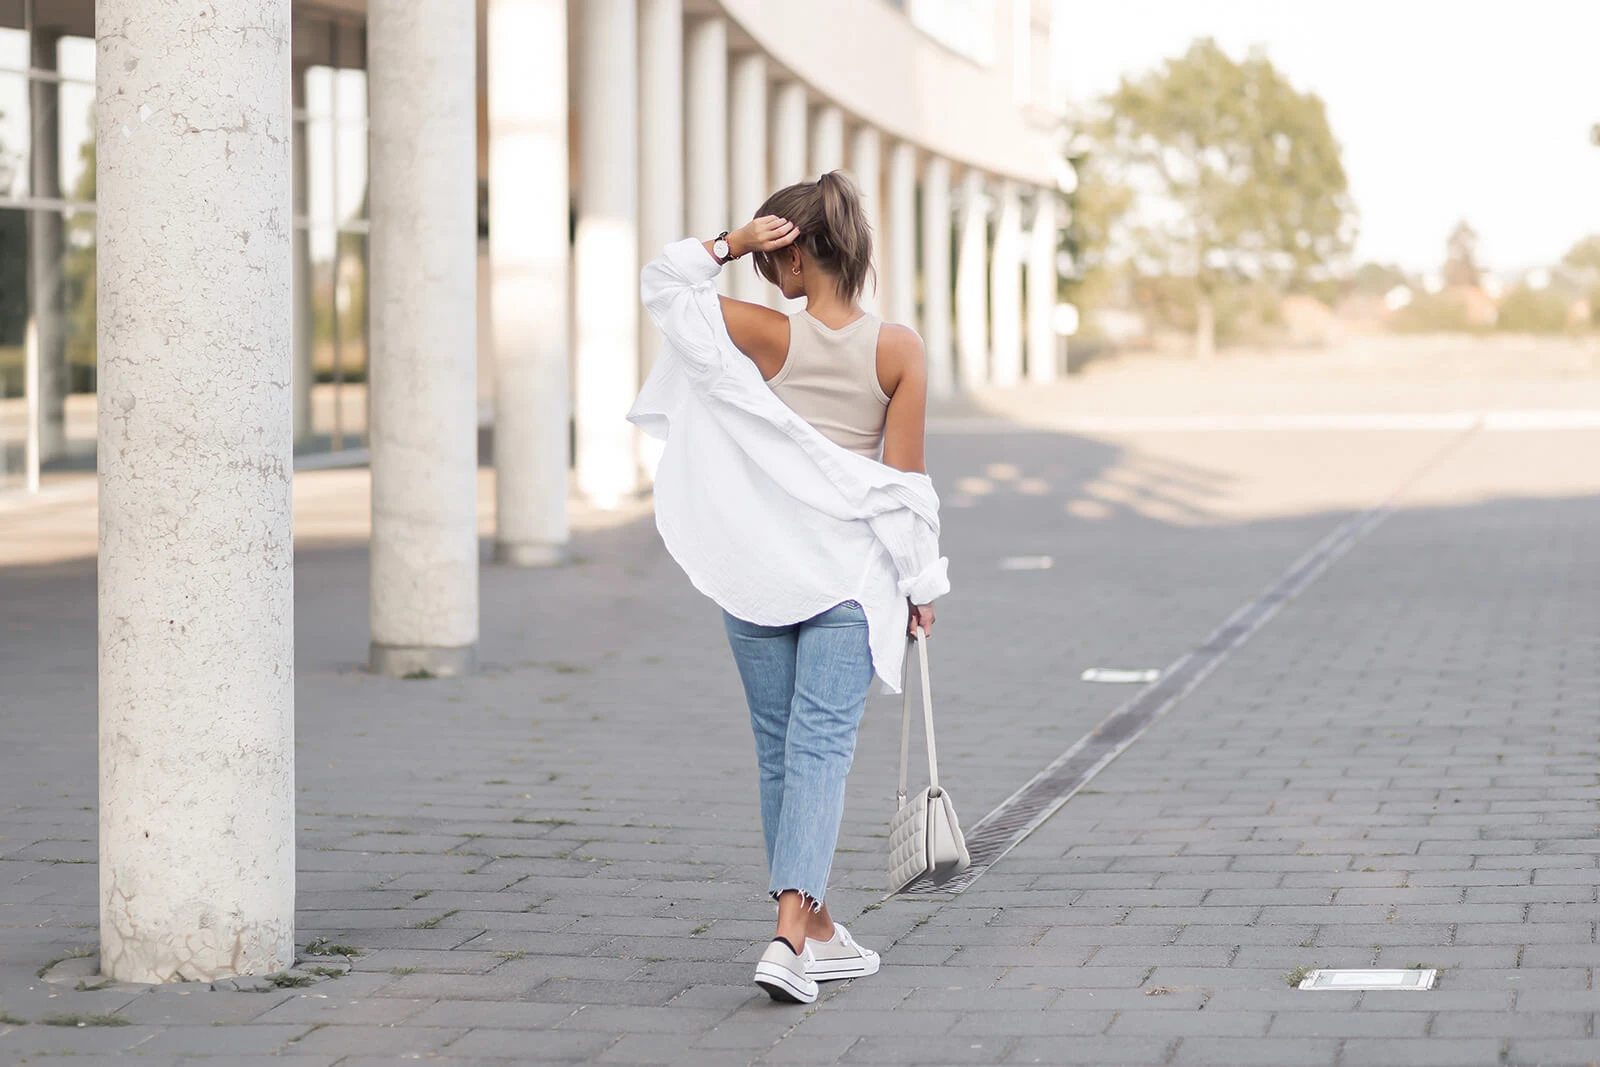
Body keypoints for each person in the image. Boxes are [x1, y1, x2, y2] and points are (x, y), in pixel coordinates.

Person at [631, 171, 949, 1005]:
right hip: (847, 576)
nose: (770, 279)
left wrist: (732, 243)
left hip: (760, 571)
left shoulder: (765, 335)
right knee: (818, 753)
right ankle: (787, 933)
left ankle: (815, 927)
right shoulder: (899, 349)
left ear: (795, 252)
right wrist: (920, 584)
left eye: (776, 262)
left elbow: (663, 283)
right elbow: (904, 487)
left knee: (781, 753)